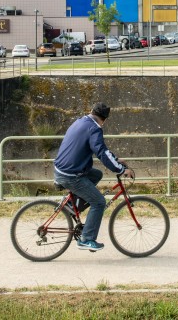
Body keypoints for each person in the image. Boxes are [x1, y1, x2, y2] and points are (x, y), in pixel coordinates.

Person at [53, 102, 134, 251]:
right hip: (71, 175)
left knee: (97, 174)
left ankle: (72, 204)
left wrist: (115, 159)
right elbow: (101, 152)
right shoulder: (94, 129)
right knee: (99, 203)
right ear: (104, 119)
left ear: (91, 111)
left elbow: (102, 150)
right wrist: (121, 170)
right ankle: (86, 239)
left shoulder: (81, 121)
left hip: (62, 168)